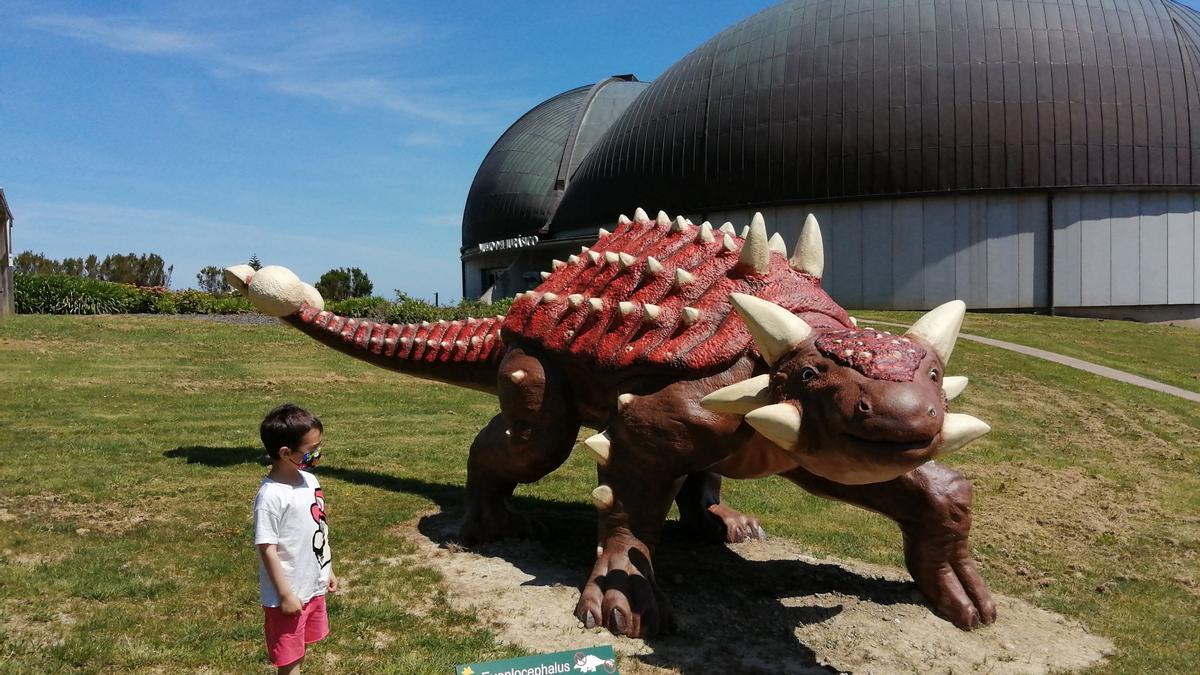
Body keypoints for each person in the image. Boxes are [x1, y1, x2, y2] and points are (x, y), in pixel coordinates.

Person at [253, 404, 338, 674]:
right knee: (289, 662)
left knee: (301, 648)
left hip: (312, 585)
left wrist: (328, 568)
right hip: (288, 596)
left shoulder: (310, 481)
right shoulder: (270, 497)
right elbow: (267, 549)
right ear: (285, 453)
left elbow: (319, 528)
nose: (317, 454)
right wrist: (285, 594)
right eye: (311, 450)